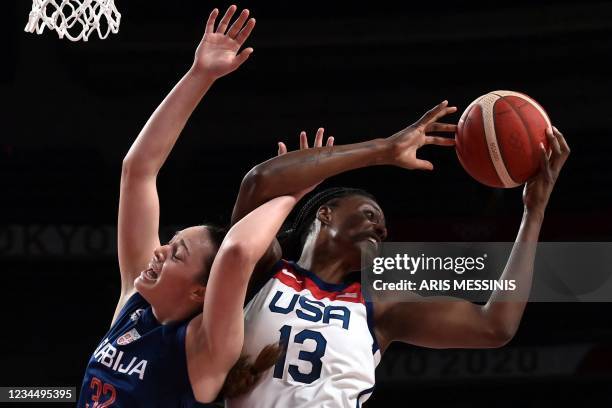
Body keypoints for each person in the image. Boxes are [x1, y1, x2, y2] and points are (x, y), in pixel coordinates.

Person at [226, 105, 570, 407]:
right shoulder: (264, 270)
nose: (381, 229)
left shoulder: (379, 309)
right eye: (369, 214)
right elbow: (257, 183)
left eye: (383, 224)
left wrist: (534, 211)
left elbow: (496, 326)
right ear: (325, 213)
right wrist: (384, 150)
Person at [77, 6, 294, 406]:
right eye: (171, 243)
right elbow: (137, 171)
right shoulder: (135, 306)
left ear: (200, 292)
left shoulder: (201, 349)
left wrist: (292, 190)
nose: (159, 250)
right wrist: (201, 75)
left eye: (176, 253)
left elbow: (239, 251)